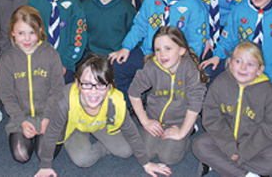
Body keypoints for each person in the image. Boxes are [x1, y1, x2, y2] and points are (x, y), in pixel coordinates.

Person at [33, 54, 172, 177]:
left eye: (100, 85)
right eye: (87, 84)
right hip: (75, 125)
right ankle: (94, 143)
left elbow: (131, 131)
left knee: (126, 150)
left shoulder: (115, 101)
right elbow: (52, 132)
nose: (93, 92)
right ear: (77, 84)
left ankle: (104, 146)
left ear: (110, 87)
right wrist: (45, 166)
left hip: (101, 123)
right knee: (82, 159)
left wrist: (146, 163)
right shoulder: (66, 99)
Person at [109, 0, 207, 104]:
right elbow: (140, 25)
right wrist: (126, 47)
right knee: (118, 65)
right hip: (148, 53)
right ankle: (128, 105)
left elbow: (196, 42)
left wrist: (184, 65)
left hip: (175, 60)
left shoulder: (194, 6)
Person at [192, 42, 272, 177]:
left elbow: (270, 129)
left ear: (260, 69)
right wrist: (229, 147)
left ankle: (218, 163)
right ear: (230, 63)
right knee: (199, 145)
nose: (243, 68)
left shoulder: (269, 92)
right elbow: (211, 117)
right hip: (223, 138)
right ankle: (247, 174)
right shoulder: (220, 82)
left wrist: (243, 152)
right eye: (238, 61)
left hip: (253, 142)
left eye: (251, 64)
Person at [129, 26, 207, 165]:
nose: (162, 54)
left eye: (168, 48)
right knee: (144, 153)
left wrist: (182, 132)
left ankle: (190, 129)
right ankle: (157, 133)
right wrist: (145, 121)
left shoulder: (190, 71)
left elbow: (195, 106)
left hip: (179, 120)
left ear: (182, 50)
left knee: (168, 158)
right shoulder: (152, 67)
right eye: (157, 49)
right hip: (155, 118)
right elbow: (133, 92)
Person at [0, 5, 65, 163]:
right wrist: (22, 121)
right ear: (13, 32)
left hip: (49, 114)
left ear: (40, 30)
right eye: (21, 33)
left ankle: (46, 135)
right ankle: (28, 134)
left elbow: (57, 90)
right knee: (21, 155)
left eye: (32, 33)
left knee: (44, 154)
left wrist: (48, 116)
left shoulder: (51, 55)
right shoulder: (7, 60)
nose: (27, 39)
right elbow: (6, 96)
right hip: (21, 117)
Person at [28, 0, 87, 84]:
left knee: (62, 100)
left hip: (65, 66)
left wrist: (65, 63)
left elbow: (79, 37)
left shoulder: (74, 3)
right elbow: (28, 33)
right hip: (37, 63)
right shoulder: (34, 1)